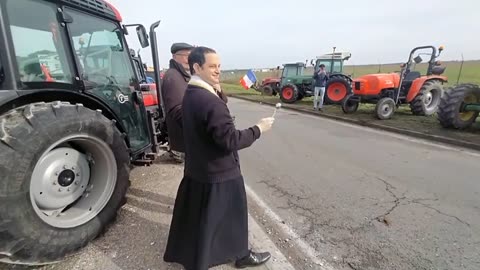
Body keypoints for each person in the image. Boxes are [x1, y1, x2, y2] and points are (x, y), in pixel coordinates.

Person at [163, 46, 274, 270]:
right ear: (196, 67)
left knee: (203, 221)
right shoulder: (209, 101)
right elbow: (230, 141)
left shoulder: (192, 94)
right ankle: (242, 256)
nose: (218, 71)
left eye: (219, 66)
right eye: (212, 66)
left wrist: (217, 90)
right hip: (221, 172)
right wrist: (258, 129)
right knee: (234, 219)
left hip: (201, 169)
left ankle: (198, 260)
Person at [161, 42, 195, 162]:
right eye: (185, 55)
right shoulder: (173, 77)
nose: (189, 59)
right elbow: (177, 110)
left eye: (190, 55)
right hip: (183, 142)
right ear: (174, 56)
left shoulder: (181, 75)